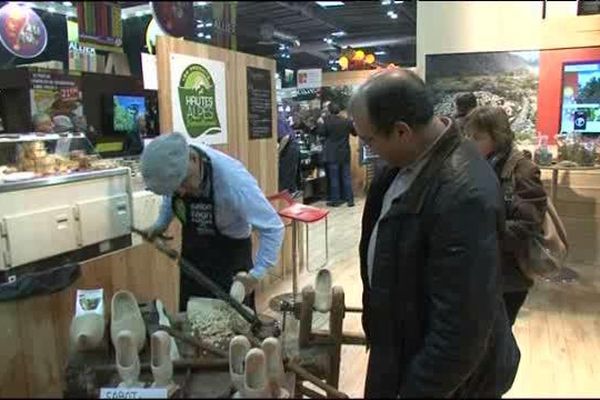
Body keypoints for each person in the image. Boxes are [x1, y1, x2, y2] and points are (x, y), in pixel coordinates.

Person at [350, 69, 520, 398]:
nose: (367, 148)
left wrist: (417, 390)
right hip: (400, 350)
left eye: (369, 139)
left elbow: (461, 330)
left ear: (401, 132)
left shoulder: (464, 193)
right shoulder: (404, 166)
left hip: (442, 380)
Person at [140, 133, 285, 311]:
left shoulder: (233, 182)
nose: (180, 192)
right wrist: (161, 224)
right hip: (193, 255)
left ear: (194, 159)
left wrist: (256, 275)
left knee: (233, 328)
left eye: (183, 183)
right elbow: (170, 196)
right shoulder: (177, 165)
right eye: (175, 188)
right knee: (193, 317)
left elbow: (273, 228)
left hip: (229, 257)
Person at [463, 106, 547, 325]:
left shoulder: (523, 170)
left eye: (478, 137)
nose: (470, 142)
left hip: (509, 276)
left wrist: (481, 232)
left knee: (498, 341)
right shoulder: (476, 165)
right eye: (468, 136)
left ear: (497, 137)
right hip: (481, 270)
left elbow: (528, 226)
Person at [317, 102, 356, 207]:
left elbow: (321, 133)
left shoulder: (325, 121)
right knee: (346, 177)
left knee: (334, 178)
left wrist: (320, 123)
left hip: (332, 153)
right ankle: (350, 200)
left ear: (329, 110)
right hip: (344, 152)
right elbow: (355, 133)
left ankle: (335, 200)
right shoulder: (347, 121)